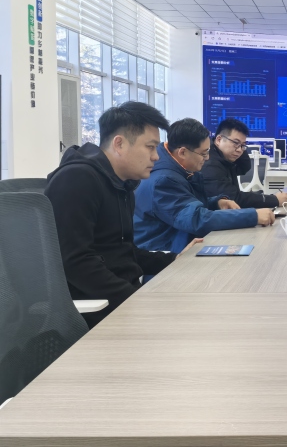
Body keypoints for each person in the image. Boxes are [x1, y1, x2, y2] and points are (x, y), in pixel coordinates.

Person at [44, 102, 196, 329]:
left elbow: (122, 253)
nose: (156, 157)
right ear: (119, 144)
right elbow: (75, 262)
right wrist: (136, 299)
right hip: (95, 311)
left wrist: (175, 260)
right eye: (150, 147)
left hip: (119, 299)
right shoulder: (77, 180)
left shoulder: (122, 185)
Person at [133, 118, 275, 254]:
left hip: (180, 242)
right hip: (165, 254)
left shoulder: (180, 168)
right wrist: (253, 216)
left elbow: (187, 202)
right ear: (183, 152)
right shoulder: (164, 180)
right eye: (203, 153)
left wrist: (217, 202)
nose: (207, 158)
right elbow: (196, 219)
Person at [201, 118, 287, 209]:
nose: (239, 150)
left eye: (243, 145)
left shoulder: (224, 157)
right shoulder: (210, 165)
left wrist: (240, 144)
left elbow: (244, 167)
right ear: (219, 140)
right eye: (235, 143)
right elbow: (233, 199)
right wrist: (274, 199)